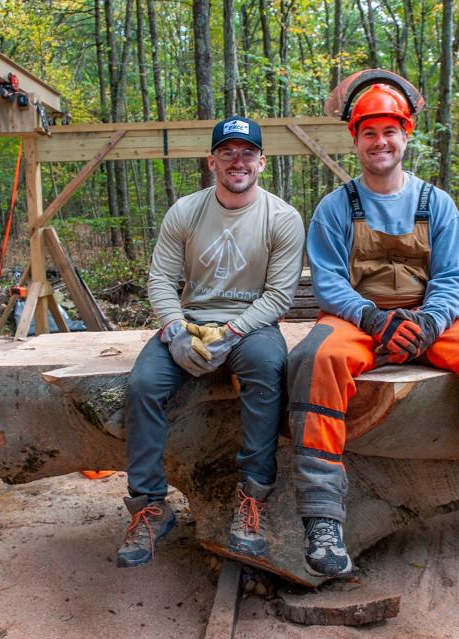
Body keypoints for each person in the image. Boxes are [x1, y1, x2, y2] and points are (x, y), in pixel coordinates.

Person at [287, 78, 459, 580]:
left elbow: (454, 278)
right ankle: (322, 519)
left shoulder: (436, 204)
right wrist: (373, 318)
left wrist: (429, 323)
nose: (380, 143)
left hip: (433, 317)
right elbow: (328, 283)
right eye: (369, 133)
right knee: (314, 360)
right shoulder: (334, 207)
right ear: (355, 140)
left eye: (390, 131)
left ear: (406, 135)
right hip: (359, 318)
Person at [117, 116, 305, 567]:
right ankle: (148, 506)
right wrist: (176, 328)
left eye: (246, 153)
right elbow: (161, 277)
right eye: (227, 152)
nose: (236, 161)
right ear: (212, 161)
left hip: (251, 326)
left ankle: (252, 498)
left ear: (262, 161)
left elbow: (279, 295)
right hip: (190, 320)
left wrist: (234, 332)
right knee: (142, 386)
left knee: (268, 371)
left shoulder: (283, 217)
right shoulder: (185, 211)